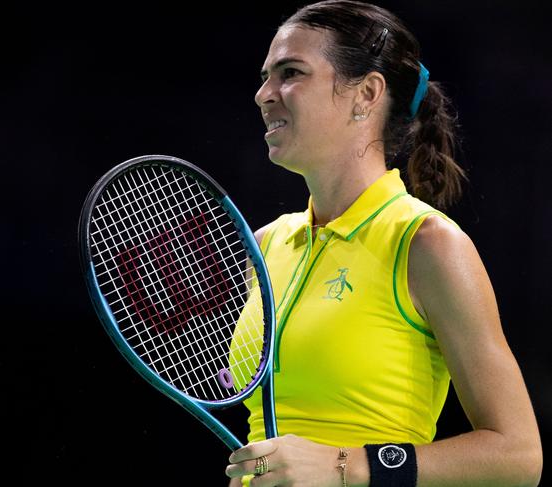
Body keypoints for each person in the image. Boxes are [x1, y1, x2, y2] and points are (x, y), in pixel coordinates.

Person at [225, 1, 543, 486]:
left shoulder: (427, 244)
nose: (263, 94)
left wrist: (345, 466)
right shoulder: (267, 245)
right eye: (266, 76)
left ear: (367, 93)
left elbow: (518, 456)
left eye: (291, 73)